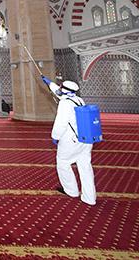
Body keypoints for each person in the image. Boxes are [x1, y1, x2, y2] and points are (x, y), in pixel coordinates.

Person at [42, 76, 97, 206]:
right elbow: (60, 93)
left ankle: (71, 190)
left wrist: (55, 136)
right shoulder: (79, 100)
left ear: (64, 89)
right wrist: (49, 83)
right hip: (86, 140)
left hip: (71, 141)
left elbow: (60, 123)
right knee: (85, 168)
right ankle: (90, 198)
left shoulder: (65, 104)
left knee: (63, 163)